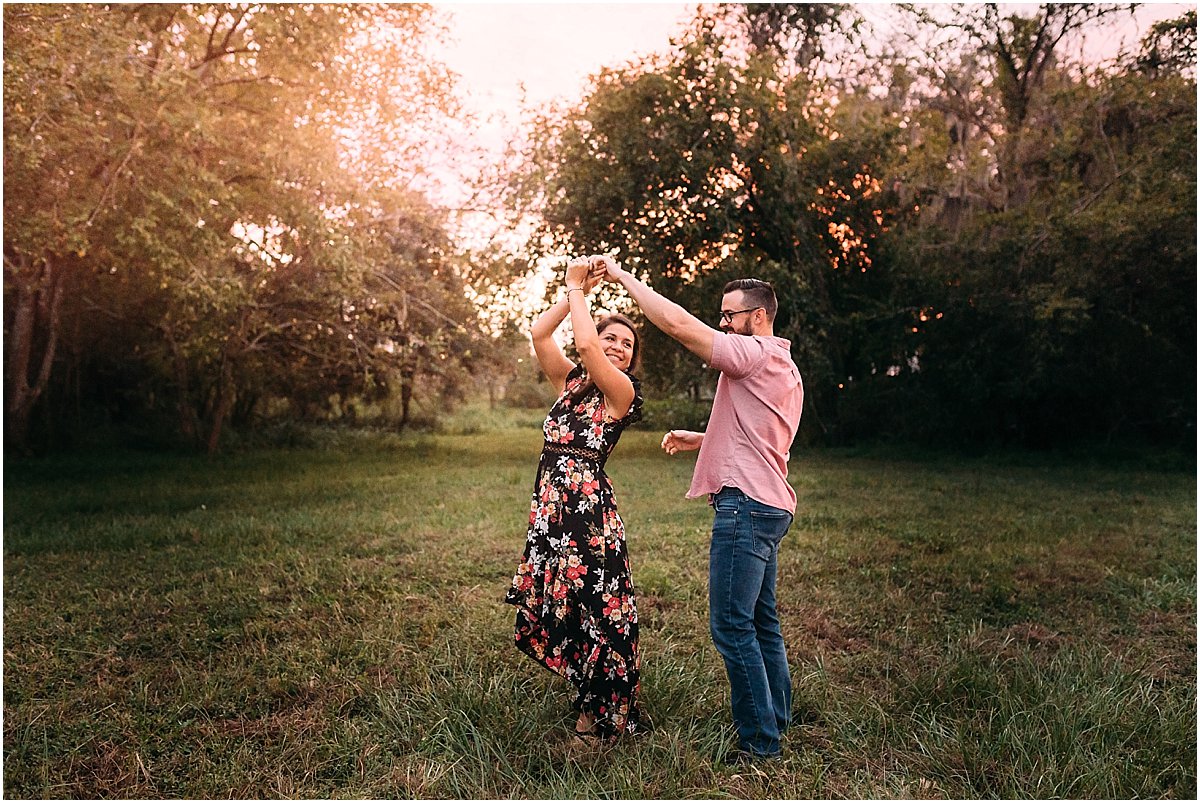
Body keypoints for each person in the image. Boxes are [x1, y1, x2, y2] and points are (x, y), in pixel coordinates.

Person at [597, 256, 803, 762]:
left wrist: (624, 278)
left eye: (731, 315)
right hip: (770, 502)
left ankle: (760, 747)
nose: (723, 323)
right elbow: (764, 437)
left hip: (745, 507)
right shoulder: (786, 366)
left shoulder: (752, 353)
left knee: (731, 626)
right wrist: (703, 439)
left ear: (757, 317)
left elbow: (678, 325)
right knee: (761, 621)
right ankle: (776, 715)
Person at [504, 255, 647, 743]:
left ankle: (599, 724)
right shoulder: (571, 384)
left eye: (627, 344)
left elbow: (585, 343)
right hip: (551, 513)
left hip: (588, 518)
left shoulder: (621, 392)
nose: (618, 347)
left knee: (595, 610)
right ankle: (590, 703)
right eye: (612, 337)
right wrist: (574, 293)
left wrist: (577, 288)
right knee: (568, 607)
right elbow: (541, 335)